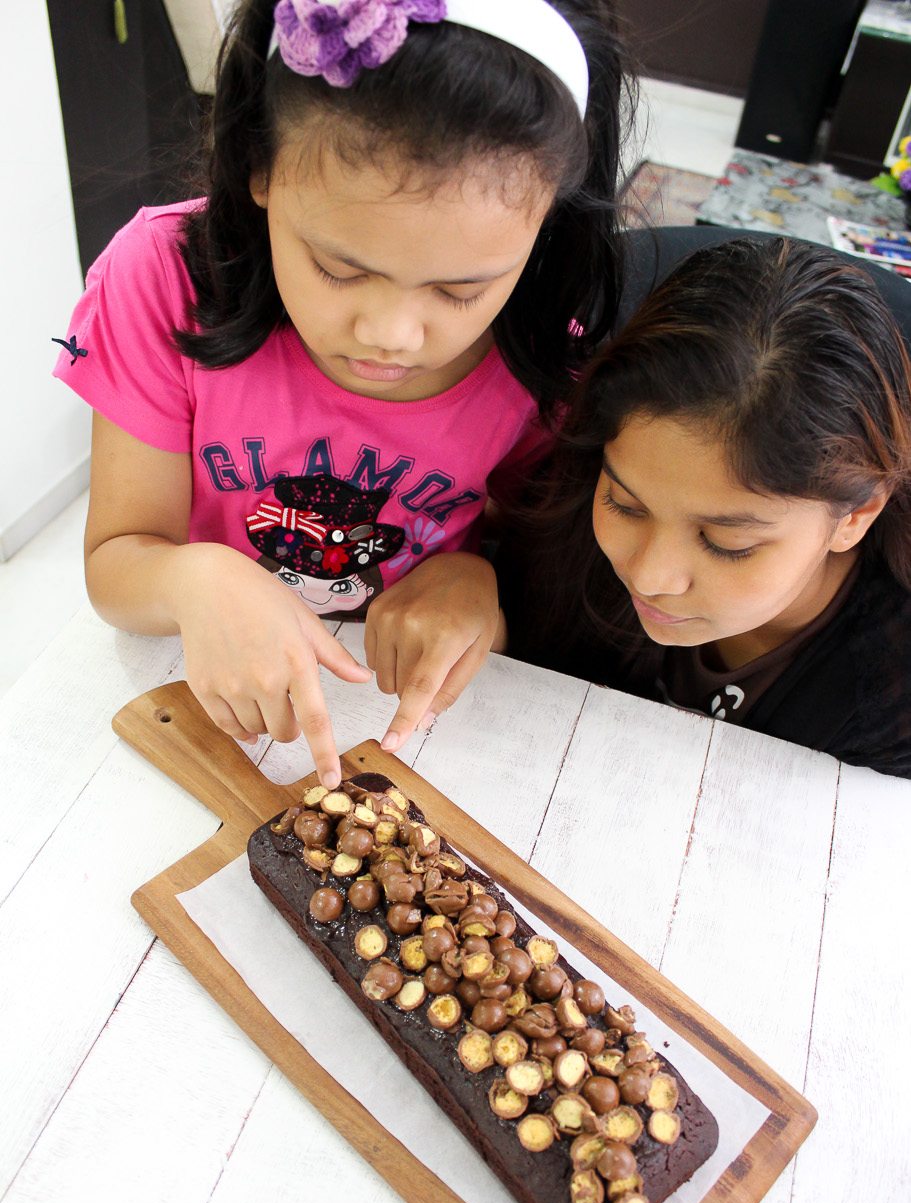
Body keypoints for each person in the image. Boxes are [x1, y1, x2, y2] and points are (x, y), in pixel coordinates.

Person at [52, 0, 632, 787]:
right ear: (258, 167)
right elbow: (117, 565)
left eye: (460, 290)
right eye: (340, 269)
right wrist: (196, 578)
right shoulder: (165, 279)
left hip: (407, 719)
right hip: (183, 683)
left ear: (544, 226)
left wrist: (481, 585)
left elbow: (530, 556)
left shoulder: (539, 352)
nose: (391, 334)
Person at [496, 235, 911, 779]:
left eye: (727, 544)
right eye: (624, 505)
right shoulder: (566, 506)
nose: (648, 576)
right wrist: (471, 584)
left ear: (855, 517)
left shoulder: (889, 702)